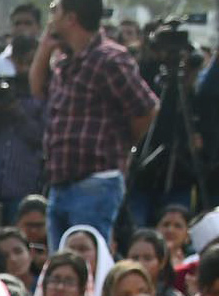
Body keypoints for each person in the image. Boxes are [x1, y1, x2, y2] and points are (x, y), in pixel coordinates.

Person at [31, 0, 157, 247]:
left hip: (95, 182)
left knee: (86, 265)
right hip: (60, 181)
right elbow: (37, 90)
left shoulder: (110, 59)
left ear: (71, 18)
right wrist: (45, 48)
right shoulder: (66, 61)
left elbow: (146, 108)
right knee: (62, 267)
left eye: (55, 11)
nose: (51, 18)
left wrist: (123, 144)